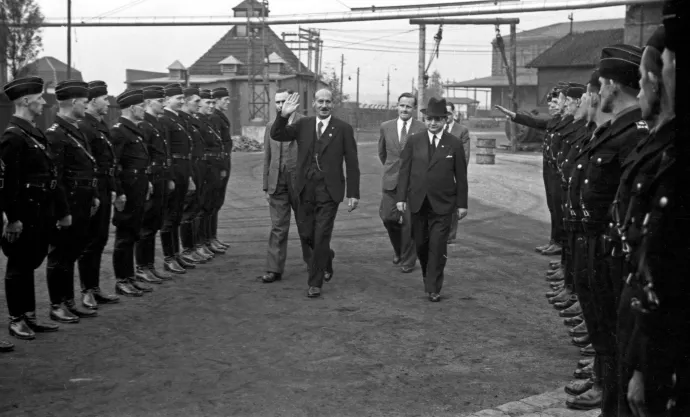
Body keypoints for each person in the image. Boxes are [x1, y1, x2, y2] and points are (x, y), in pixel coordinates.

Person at [565, 44, 648, 415]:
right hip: (594, 246)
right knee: (604, 337)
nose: (597, 92)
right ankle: (606, 396)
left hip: (611, 252)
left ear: (613, 86)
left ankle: (610, 404)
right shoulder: (614, 129)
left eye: (601, 84)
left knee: (616, 344)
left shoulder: (634, 133)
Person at [270, 88, 360, 298]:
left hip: (329, 191)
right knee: (306, 234)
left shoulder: (343, 129)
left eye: (328, 102)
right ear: (314, 104)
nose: (324, 105)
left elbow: (352, 163)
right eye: (320, 101)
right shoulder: (303, 124)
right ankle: (326, 257)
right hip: (304, 189)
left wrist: (353, 193)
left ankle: (315, 282)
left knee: (321, 235)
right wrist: (283, 115)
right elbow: (278, 134)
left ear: (333, 104)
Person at [1, 76, 67, 340]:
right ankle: (16, 319)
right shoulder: (13, 137)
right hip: (23, 212)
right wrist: (13, 219)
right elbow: (7, 184)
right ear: (25, 101)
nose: (43, 102)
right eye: (39, 98)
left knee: (29, 262)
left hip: (40, 210)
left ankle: (29, 315)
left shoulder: (34, 133)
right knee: (18, 264)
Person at [396, 97, 469, 302]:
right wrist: (401, 197)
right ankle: (428, 276)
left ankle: (433, 287)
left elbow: (461, 177)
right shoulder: (414, 140)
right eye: (429, 119)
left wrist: (462, 204)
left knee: (438, 245)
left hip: (443, 204)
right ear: (424, 119)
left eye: (438, 119)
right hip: (418, 203)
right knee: (421, 244)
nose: (433, 123)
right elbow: (404, 171)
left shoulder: (453, 143)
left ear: (445, 120)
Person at [45, 80, 100, 323]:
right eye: (85, 102)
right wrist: (62, 211)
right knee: (60, 255)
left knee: (72, 252)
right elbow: (55, 177)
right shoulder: (55, 134)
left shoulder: (75, 129)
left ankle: (68, 301)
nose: (86, 107)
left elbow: (88, 165)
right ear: (75, 102)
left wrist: (94, 195)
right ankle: (57, 304)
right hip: (68, 202)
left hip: (82, 200)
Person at [496, 82, 570, 256]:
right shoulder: (554, 121)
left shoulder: (570, 123)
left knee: (560, 208)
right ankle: (555, 240)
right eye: (550, 103)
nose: (551, 106)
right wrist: (514, 116)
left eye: (555, 103)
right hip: (550, 170)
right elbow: (534, 122)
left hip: (560, 172)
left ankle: (561, 243)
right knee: (553, 206)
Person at [260, 88, 312, 283]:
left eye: (284, 101)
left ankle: (314, 263)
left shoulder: (305, 123)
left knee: (306, 226)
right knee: (278, 227)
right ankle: (274, 269)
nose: (281, 105)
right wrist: (266, 186)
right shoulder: (271, 126)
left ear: (292, 101)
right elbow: (267, 157)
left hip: (300, 185)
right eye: (278, 102)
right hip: (277, 184)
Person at [77, 80, 121, 309]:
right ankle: (87, 290)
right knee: (90, 240)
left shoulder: (100, 125)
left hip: (104, 186)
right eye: (105, 98)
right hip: (93, 189)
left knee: (101, 239)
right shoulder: (84, 126)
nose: (108, 102)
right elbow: (88, 164)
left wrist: (113, 188)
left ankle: (94, 288)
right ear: (93, 101)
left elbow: (109, 161)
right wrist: (95, 192)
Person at [111, 89, 154, 296]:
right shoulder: (119, 131)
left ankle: (129, 277)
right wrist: (119, 192)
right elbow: (114, 165)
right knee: (124, 235)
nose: (145, 110)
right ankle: (122, 280)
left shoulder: (134, 130)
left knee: (133, 232)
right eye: (142, 106)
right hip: (127, 189)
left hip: (138, 185)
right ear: (131, 108)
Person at [377, 92, 425, 273]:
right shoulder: (386, 127)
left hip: (413, 184)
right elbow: (382, 153)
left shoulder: (421, 128)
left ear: (414, 109)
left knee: (409, 223)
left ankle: (408, 260)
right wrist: (392, 171)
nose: (404, 109)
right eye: (402, 105)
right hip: (391, 181)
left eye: (409, 106)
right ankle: (398, 249)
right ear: (397, 106)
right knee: (388, 218)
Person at [135, 86, 174, 282]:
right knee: (146, 225)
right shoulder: (144, 125)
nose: (164, 104)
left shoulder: (156, 124)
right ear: (149, 103)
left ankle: (149, 265)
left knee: (154, 223)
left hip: (161, 177)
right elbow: (144, 156)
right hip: (151, 179)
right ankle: (142, 267)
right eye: (160, 101)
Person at [159, 83, 194, 273]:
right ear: (167, 100)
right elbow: (167, 151)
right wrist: (170, 177)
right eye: (178, 98)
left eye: (182, 98)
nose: (182, 101)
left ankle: (176, 254)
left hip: (183, 168)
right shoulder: (165, 120)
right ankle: (168, 257)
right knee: (169, 216)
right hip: (174, 170)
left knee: (177, 214)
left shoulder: (177, 119)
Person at [178, 87, 210, 264]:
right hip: (188, 168)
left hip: (198, 167)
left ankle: (195, 246)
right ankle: (188, 249)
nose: (199, 105)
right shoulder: (181, 121)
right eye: (196, 101)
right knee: (187, 210)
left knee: (196, 208)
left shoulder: (190, 121)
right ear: (186, 101)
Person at [195, 89, 225, 256]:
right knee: (202, 206)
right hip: (204, 168)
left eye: (214, 103)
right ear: (200, 104)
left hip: (213, 166)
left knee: (212, 204)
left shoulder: (210, 121)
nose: (212, 106)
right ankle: (200, 242)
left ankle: (209, 239)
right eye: (208, 103)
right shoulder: (197, 122)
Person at [208, 87, 232, 250]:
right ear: (216, 101)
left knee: (216, 202)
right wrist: (222, 166)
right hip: (219, 163)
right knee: (212, 202)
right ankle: (209, 239)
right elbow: (219, 144)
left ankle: (212, 237)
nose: (228, 103)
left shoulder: (219, 116)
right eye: (225, 100)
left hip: (224, 162)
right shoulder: (215, 117)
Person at [444, 101, 471, 245]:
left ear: (453, 113)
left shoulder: (462, 130)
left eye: (448, 113)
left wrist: (458, 173)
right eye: (444, 113)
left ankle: (450, 234)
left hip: (454, 172)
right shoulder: (436, 128)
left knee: (452, 205)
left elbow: (465, 155)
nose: (446, 116)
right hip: (437, 173)